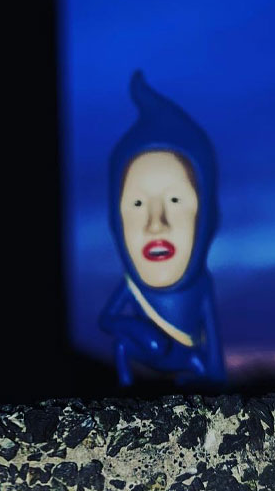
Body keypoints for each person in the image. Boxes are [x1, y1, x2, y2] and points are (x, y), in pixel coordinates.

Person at [99, 71, 226, 386]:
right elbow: (106, 319)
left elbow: (213, 345)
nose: (156, 223)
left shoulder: (201, 285)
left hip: (190, 360)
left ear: (206, 218)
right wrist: (140, 334)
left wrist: (218, 382)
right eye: (137, 204)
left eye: (175, 200)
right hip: (148, 352)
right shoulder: (132, 286)